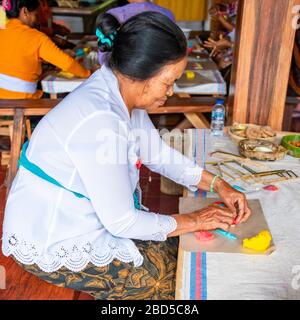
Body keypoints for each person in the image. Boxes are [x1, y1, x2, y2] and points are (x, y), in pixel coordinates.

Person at [2, 12, 251, 300]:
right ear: (141, 75)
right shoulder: (100, 118)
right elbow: (121, 222)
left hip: (85, 217)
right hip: (52, 235)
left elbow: (157, 154)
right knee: (164, 282)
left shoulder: (119, 92)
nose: (170, 92)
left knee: (183, 252)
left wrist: (219, 184)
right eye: (168, 82)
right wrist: (196, 219)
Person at [0, 0, 90, 99]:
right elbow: (67, 63)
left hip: (2, 97)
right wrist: (88, 73)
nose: (37, 20)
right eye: (36, 15)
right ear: (25, 12)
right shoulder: (36, 37)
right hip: (25, 99)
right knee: (66, 96)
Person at [98, 0, 175, 65]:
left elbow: (103, 59)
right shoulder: (167, 14)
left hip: (119, 76)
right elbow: (172, 52)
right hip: (157, 72)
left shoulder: (113, 14)